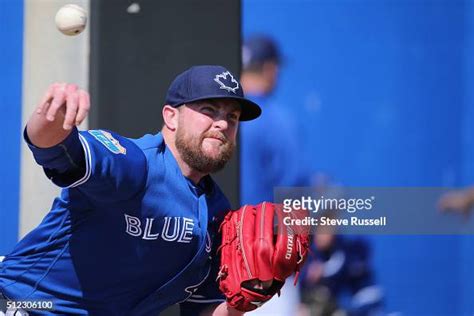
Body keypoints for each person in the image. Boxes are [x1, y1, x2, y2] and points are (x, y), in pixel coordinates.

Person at [0, 65, 263, 315]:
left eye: (232, 116)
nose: (222, 124)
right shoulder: (135, 164)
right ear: (171, 116)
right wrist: (52, 117)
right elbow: (55, 150)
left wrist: (242, 299)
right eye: (209, 110)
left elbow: (200, 311)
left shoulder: (217, 214)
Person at [240, 35, 309, 206]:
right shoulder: (278, 121)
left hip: (217, 227)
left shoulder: (220, 115)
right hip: (263, 228)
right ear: (270, 69)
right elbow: (294, 186)